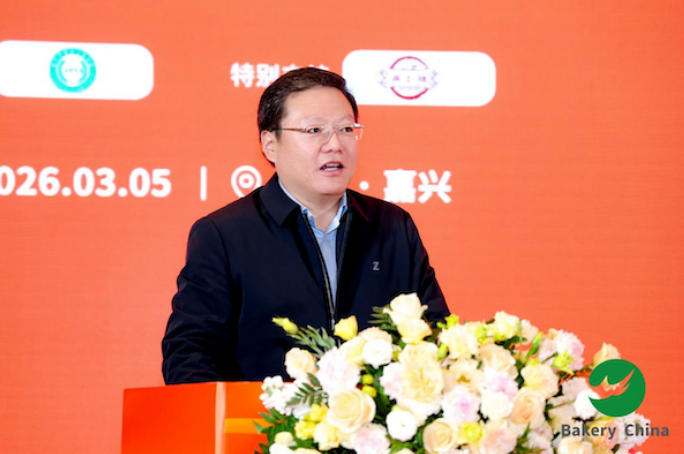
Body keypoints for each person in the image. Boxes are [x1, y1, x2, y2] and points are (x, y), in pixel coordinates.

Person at [162, 68, 449, 384]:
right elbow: (189, 355)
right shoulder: (225, 235)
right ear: (270, 144)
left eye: (346, 129)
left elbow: (436, 334)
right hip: (266, 415)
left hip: (373, 413)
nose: (334, 144)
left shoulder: (392, 226)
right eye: (314, 130)